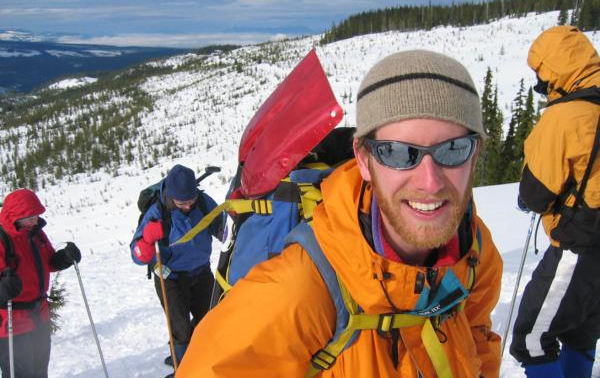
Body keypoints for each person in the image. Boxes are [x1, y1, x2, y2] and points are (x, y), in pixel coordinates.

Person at [177, 50, 503, 377]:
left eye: (453, 149)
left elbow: (475, 335)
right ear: (364, 159)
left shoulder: (475, 254)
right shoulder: (301, 293)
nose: (430, 182)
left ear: (475, 156)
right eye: (399, 153)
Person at [510, 26, 600, 377]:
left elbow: (536, 194)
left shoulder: (565, 115)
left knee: (530, 339)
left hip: (578, 245)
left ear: (552, 69)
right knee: (581, 332)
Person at [130, 164, 225, 373]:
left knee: (209, 319)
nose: (188, 207)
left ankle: (201, 359)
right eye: (182, 203)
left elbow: (221, 225)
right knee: (180, 328)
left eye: (190, 201)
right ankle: (184, 369)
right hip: (170, 278)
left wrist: (232, 228)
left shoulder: (201, 202)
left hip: (201, 272)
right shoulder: (157, 212)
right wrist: (147, 239)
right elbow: (137, 254)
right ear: (171, 196)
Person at [0, 188, 81, 378]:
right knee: (21, 373)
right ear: (16, 217)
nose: (36, 220)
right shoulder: (2, 238)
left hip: (39, 313)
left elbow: (49, 261)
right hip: (11, 317)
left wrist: (64, 258)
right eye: (30, 217)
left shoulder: (36, 233)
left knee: (39, 368)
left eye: (37, 215)